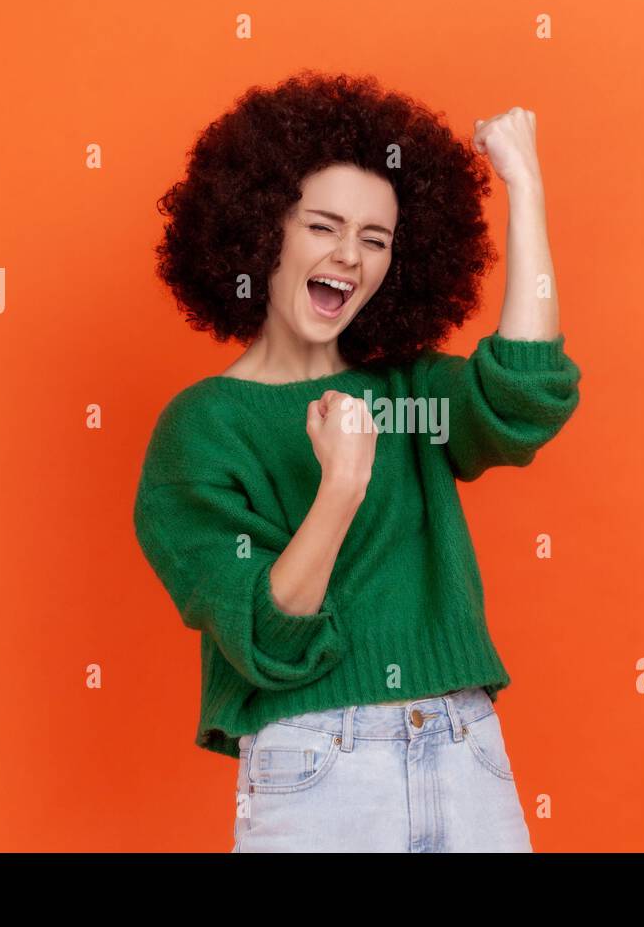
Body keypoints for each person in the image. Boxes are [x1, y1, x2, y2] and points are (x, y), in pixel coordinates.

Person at [133, 70, 580, 852]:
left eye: (375, 239)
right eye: (322, 226)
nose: (349, 255)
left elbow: (526, 392)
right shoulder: (200, 429)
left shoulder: (409, 391)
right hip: (318, 770)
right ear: (262, 230)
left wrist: (527, 188)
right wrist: (340, 485)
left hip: (464, 749)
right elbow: (271, 639)